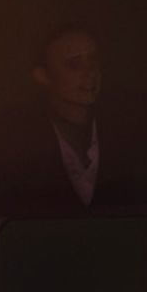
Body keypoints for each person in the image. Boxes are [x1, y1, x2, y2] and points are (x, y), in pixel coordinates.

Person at [29, 22, 107, 206]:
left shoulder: (123, 132)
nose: (90, 73)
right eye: (75, 65)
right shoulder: (20, 141)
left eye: (93, 61)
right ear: (43, 76)